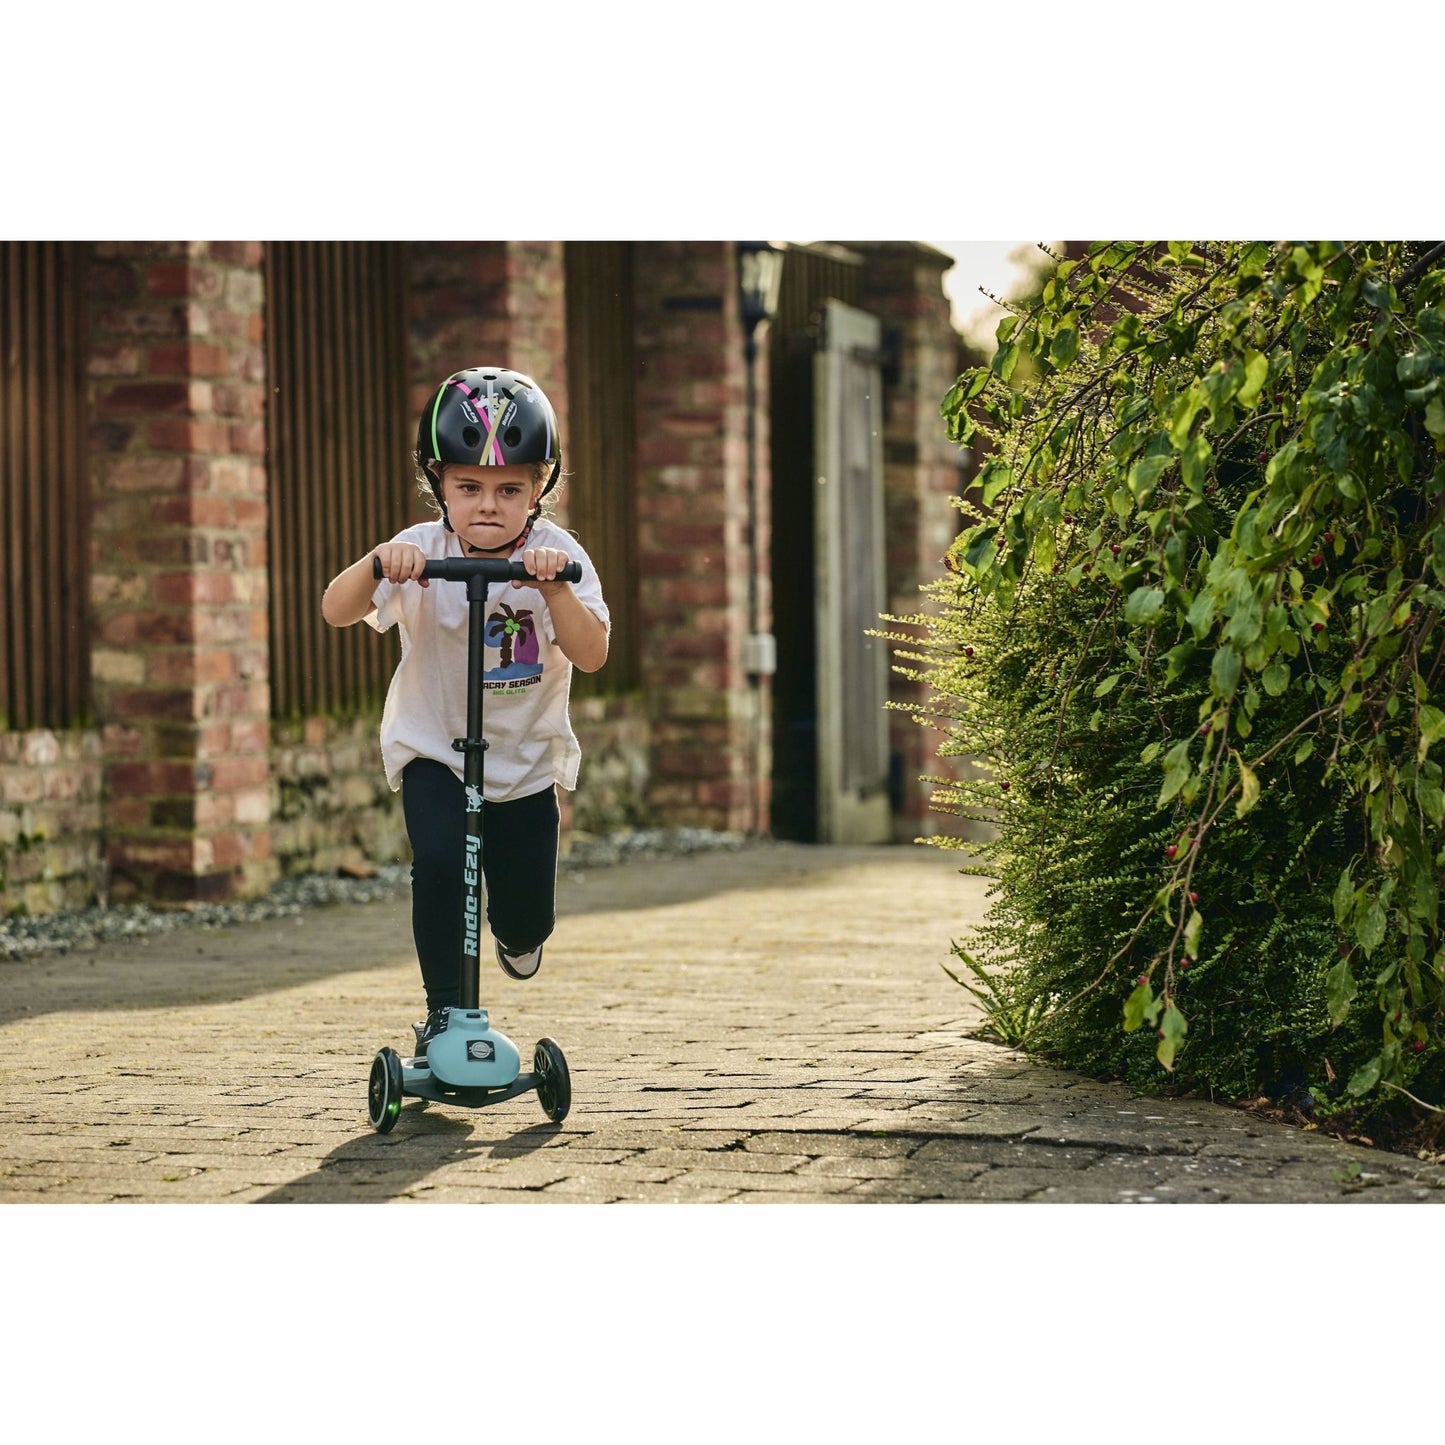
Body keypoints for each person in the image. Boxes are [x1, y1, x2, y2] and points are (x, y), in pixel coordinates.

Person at [321, 366, 609, 1058]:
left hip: (525, 761)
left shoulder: (561, 555)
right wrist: (377, 564)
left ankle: (518, 935)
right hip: (436, 751)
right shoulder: (420, 549)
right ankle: (445, 1014)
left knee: (525, 916)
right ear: (437, 483)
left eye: (510, 489)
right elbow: (335, 609)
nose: (488, 505)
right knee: (441, 862)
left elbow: (592, 653)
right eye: (468, 487)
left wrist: (556, 589)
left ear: (539, 487)